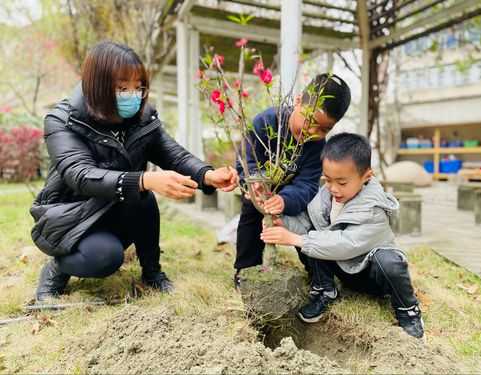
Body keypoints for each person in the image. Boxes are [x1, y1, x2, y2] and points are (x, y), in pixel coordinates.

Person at [31, 41, 238, 302]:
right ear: (99, 85)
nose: (133, 95)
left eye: (139, 87)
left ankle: (152, 273)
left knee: (143, 198)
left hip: (116, 206)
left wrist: (207, 175)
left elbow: (171, 153)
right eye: (122, 87)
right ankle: (57, 268)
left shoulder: (141, 118)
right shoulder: (63, 121)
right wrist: (144, 178)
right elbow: (79, 174)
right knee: (105, 258)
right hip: (72, 216)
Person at [260, 133, 424, 339]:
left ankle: (408, 310)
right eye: (328, 180)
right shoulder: (327, 195)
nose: (333, 188)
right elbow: (308, 223)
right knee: (314, 235)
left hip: (370, 274)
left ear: (366, 177)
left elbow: (347, 244)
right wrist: (284, 224)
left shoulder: (374, 209)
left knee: (389, 261)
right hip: (343, 269)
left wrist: (296, 239)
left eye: (342, 182)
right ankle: (325, 290)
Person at [234, 73, 351, 288]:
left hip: (293, 198)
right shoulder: (265, 123)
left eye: (324, 129)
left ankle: (317, 272)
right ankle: (245, 268)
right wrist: (253, 182)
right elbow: (246, 160)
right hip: (261, 192)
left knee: (308, 225)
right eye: (311, 121)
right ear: (298, 101)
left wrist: (286, 200)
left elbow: (307, 184)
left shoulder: (318, 146)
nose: (313, 132)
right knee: (250, 218)